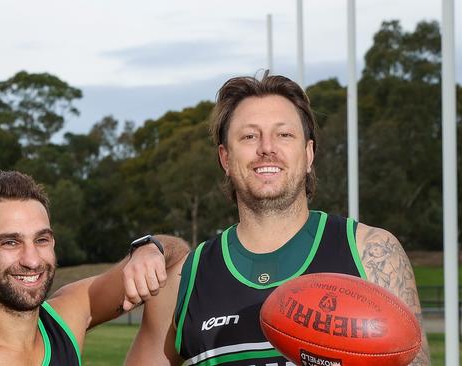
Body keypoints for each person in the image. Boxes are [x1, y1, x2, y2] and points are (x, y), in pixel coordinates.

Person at [125, 73, 431, 365]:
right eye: (249, 136)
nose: (267, 148)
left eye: (284, 134)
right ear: (226, 158)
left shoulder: (371, 251)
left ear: (309, 154)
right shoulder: (183, 280)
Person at [0, 171, 188, 365]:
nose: (32, 259)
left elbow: (177, 255)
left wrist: (149, 248)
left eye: (41, 239)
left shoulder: (70, 315)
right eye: (10, 242)